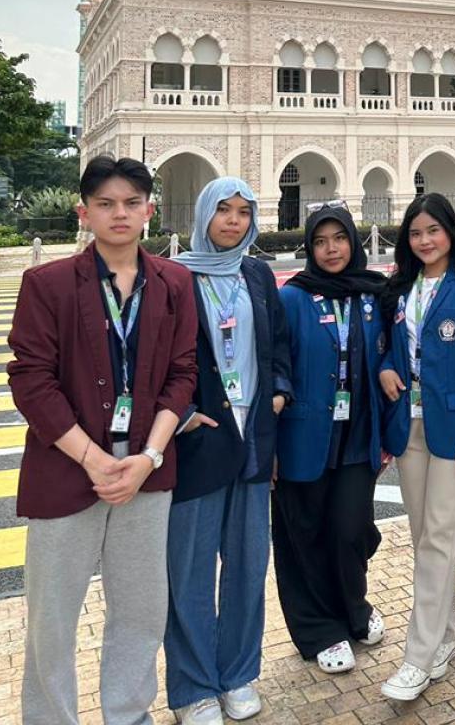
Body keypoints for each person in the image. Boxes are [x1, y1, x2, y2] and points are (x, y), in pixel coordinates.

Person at [8, 156, 197, 725]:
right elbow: (30, 379)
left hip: (146, 473)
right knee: (52, 617)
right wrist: (94, 460)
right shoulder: (47, 284)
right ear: (83, 212)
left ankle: (129, 714)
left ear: (149, 210)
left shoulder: (173, 282)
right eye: (107, 203)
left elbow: (183, 374)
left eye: (132, 203)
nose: (121, 214)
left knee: (139, 610)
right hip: (68, 471)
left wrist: (148, 458)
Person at [164, 177, 292, 725]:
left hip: (254, 436)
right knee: (189, 570)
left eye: (244, 212)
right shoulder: (175, 276)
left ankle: (239, 674)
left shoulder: (257, 273)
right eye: (223, 211)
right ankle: (194, 687)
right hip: (200, 440)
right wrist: (182, 414)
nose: (234, 222)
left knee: (247, 565)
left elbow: (278, 342)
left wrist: (281, 391)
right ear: (203, 215)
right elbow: (160, 355)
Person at [378, 193, 455, 701]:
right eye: (415, 233)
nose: (425, 241)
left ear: (451, 232)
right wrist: (387, 365)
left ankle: (418, 655)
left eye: (433, 230)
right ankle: (446, 635)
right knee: (425, 533)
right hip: (411, 429)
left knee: (440, 539)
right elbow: (392, 346)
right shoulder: (401, 287)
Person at [271, 203, 389, 675]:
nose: (331, 249)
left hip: (358, 437)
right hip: (303, 437)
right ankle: (320, 628)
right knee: (304, 535)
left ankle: (354, 610)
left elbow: (389, 353)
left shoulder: (371, 296)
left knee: (349, 531)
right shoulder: (293, 297)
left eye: (339, 238)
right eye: (320, 241)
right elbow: (276, 363)